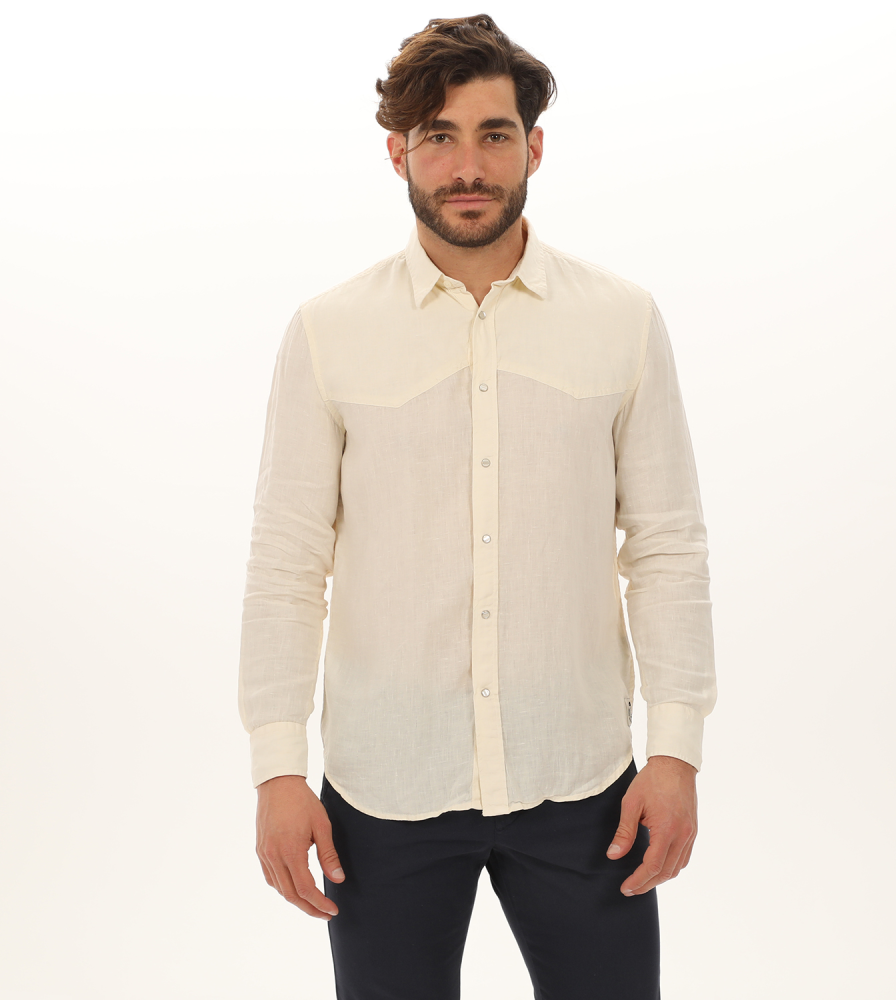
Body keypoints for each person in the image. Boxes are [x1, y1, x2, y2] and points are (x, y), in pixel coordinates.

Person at [238, 13, 717, 1000]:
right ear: (397, 153)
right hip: (385, 789)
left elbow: (665, 545)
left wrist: (675, 750)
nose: (467, 166)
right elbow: (287, 561)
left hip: (584, 784)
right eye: (439, 137)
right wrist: (277, 767)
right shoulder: (328, 332)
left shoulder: (621, 320)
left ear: (534, 146)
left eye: (493, 134)